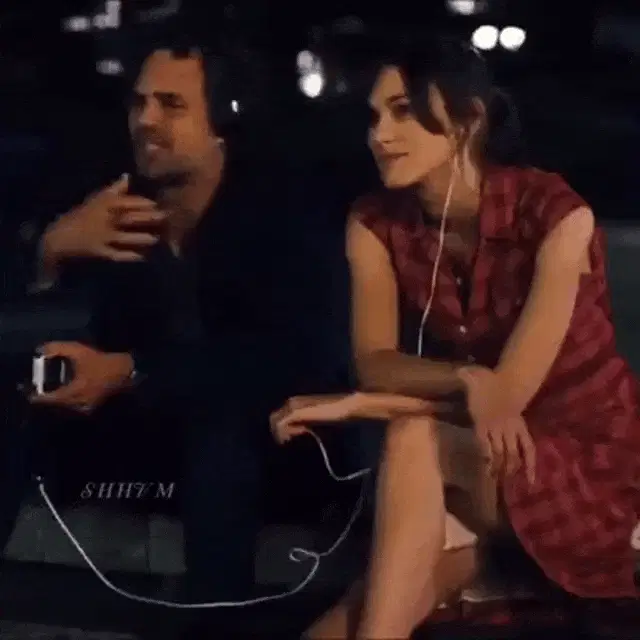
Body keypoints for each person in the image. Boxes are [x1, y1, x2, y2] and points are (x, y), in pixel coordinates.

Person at [271, 36, 640, 639]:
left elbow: (509, 396)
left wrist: (362, 406)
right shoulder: (375, 222)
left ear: (467, 122)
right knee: (336, 627)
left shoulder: (555, 214)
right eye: (374, 115)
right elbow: (377, 361)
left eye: (404, 112)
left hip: (585, 473)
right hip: (478, 468)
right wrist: (462, 376)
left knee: (414, 438)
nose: (379, 135)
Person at [0, 36, 349, 612]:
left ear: (223, 122)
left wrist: (133, 369)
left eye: (171, 105)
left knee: (223, 431)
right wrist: (49, 251)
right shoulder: (112, 200)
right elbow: (48, 329)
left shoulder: (283, 213)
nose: (146, 120)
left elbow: (297, 357)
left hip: (270, 454)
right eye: (139, 103)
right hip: (141, 448)